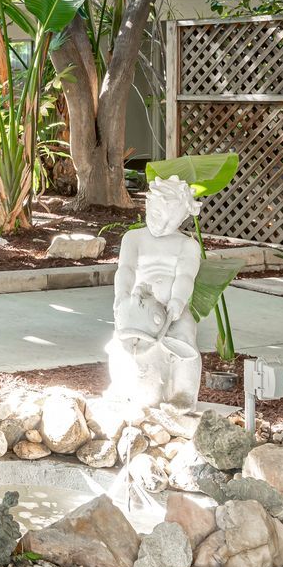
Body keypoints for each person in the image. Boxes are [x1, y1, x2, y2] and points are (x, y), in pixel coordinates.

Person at [106, 175, 204, 410]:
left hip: (171, 308)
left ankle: (183, 393)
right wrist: (122, 296)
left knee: (185, 341)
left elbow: (185, 276)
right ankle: (121, 386)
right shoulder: (134, 238)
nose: (160, 225)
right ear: (148, 205)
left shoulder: (187, 245)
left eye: (170, 222)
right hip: (138, 306)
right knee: (120, 342)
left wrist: (178, 301)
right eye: (157, 216)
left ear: (183, 218)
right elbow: (126, 269)